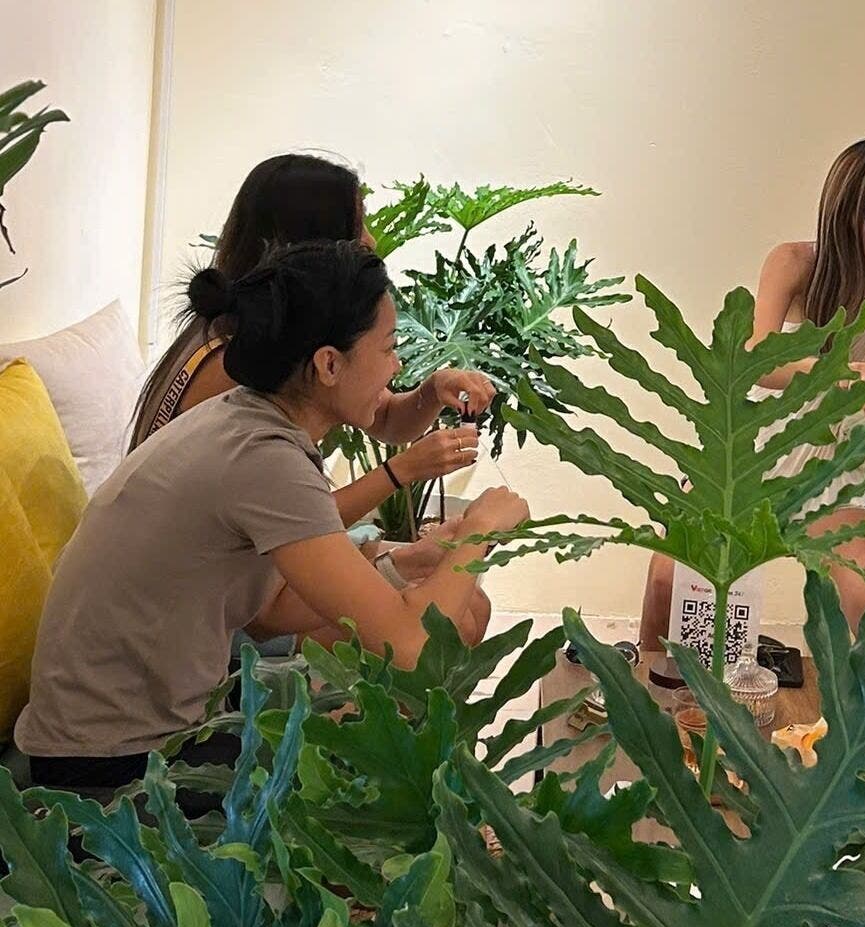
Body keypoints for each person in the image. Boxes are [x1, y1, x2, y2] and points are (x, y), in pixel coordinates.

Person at [15, 241, 530, 792]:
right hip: (116, 766)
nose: (398, 364)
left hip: (115, 733)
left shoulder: (247, 417)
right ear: (329, 364)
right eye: (389, 348)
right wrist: (479, 530)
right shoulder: (266, 460)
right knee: (393, 725)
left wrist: (411, 561)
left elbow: (269, 611)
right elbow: (410, 651)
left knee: (441, 617)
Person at [637, 137, 865, 779]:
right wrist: (847, 381)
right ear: (843, 209)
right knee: (667, 579)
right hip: (754, 456)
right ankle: (646, 718)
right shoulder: (794, 264)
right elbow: (757, 358)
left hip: (841, 480)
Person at [131, 153, 493, 616]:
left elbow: (382, 417)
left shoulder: (272, 337)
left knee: (461, 600)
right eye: (359, 224)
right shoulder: (238, 367)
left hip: (248, 562)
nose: (371, 240)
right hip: (210, 596)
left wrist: (430, 391)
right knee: (455, 616)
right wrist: (404, 475)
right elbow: (286, 515)